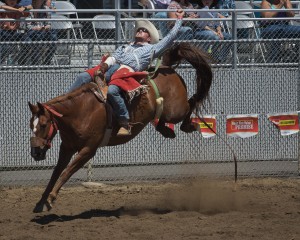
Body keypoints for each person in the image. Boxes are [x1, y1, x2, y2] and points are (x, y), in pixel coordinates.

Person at [70, 9, 185, 136]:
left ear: (149, 38)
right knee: (83, 77)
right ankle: (66, 104)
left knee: (113, 91)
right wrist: (104, 65)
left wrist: (179, 20)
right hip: (112, 67)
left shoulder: (152, 49)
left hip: (128, 72)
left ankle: (124, 121)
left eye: (145, 31)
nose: (141, 31)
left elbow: (169, 38)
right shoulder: (125, 47)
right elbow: (114, 57)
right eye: (139, 29)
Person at [25, 0, 57, 65]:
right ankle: (35, 64)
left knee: (53, 38)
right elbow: (28, 26)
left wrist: (47, 27)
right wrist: (37, 28)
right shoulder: (29, 9)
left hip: (44, 31)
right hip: (32, 32)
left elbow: (48, 23)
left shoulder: (46, 9)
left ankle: (47, 62)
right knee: (36, 37)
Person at [0, 0, 31, 65]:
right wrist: (16, 10)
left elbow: (31, 6)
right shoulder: (4, 7)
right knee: (6, 47)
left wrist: (24, 8)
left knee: (28, 42)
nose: (12, 1)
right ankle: (2, 65)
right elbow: (2, 6)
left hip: (15, 32)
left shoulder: (19, 7)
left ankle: (21, 62)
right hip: (3, 32)